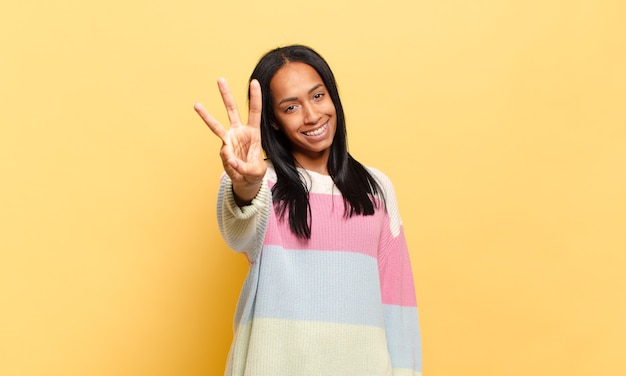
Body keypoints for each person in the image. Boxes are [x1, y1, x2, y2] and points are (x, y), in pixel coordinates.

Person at [194, 45, 422, 376]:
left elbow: (397, 300)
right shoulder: (263, 183)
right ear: (272, 120)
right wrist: (245, 185)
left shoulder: (376, 188)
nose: (312, 116)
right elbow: (238, 233)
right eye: (291, 107)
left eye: (318, 96)